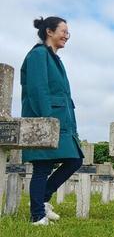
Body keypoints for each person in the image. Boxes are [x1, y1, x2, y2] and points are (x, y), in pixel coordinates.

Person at [20, 16, 84, 225]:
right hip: (45, 120)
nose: (67, 35)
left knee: (75, 159)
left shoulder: (53, 58)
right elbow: (38, 90)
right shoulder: (38, 55)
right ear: (49, 31)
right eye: (63, 31)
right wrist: (46, 121)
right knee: (43, 166)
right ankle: (37, 216)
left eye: (68, 32)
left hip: (61, 120)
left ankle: (42, 200)